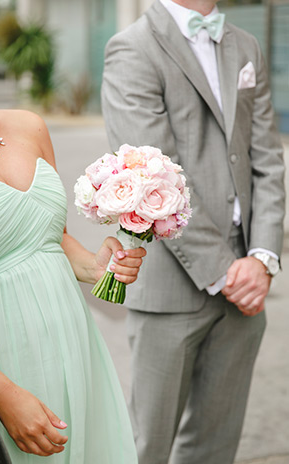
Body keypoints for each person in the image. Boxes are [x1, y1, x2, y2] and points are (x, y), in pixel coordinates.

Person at [101, 1, 286, 463]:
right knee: (146, 447)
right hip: (171, 290)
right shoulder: (132, 47)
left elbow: (266, 159)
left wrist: (262, 258)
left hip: (247, 288)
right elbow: (151, 178)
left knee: (215, 449)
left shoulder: (246, 46)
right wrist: (229, 274)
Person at [0, 97, 146, 462]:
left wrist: (96, 267)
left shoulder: (29, 125)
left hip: (73, 341)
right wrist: (0, 394)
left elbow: (51, 236)